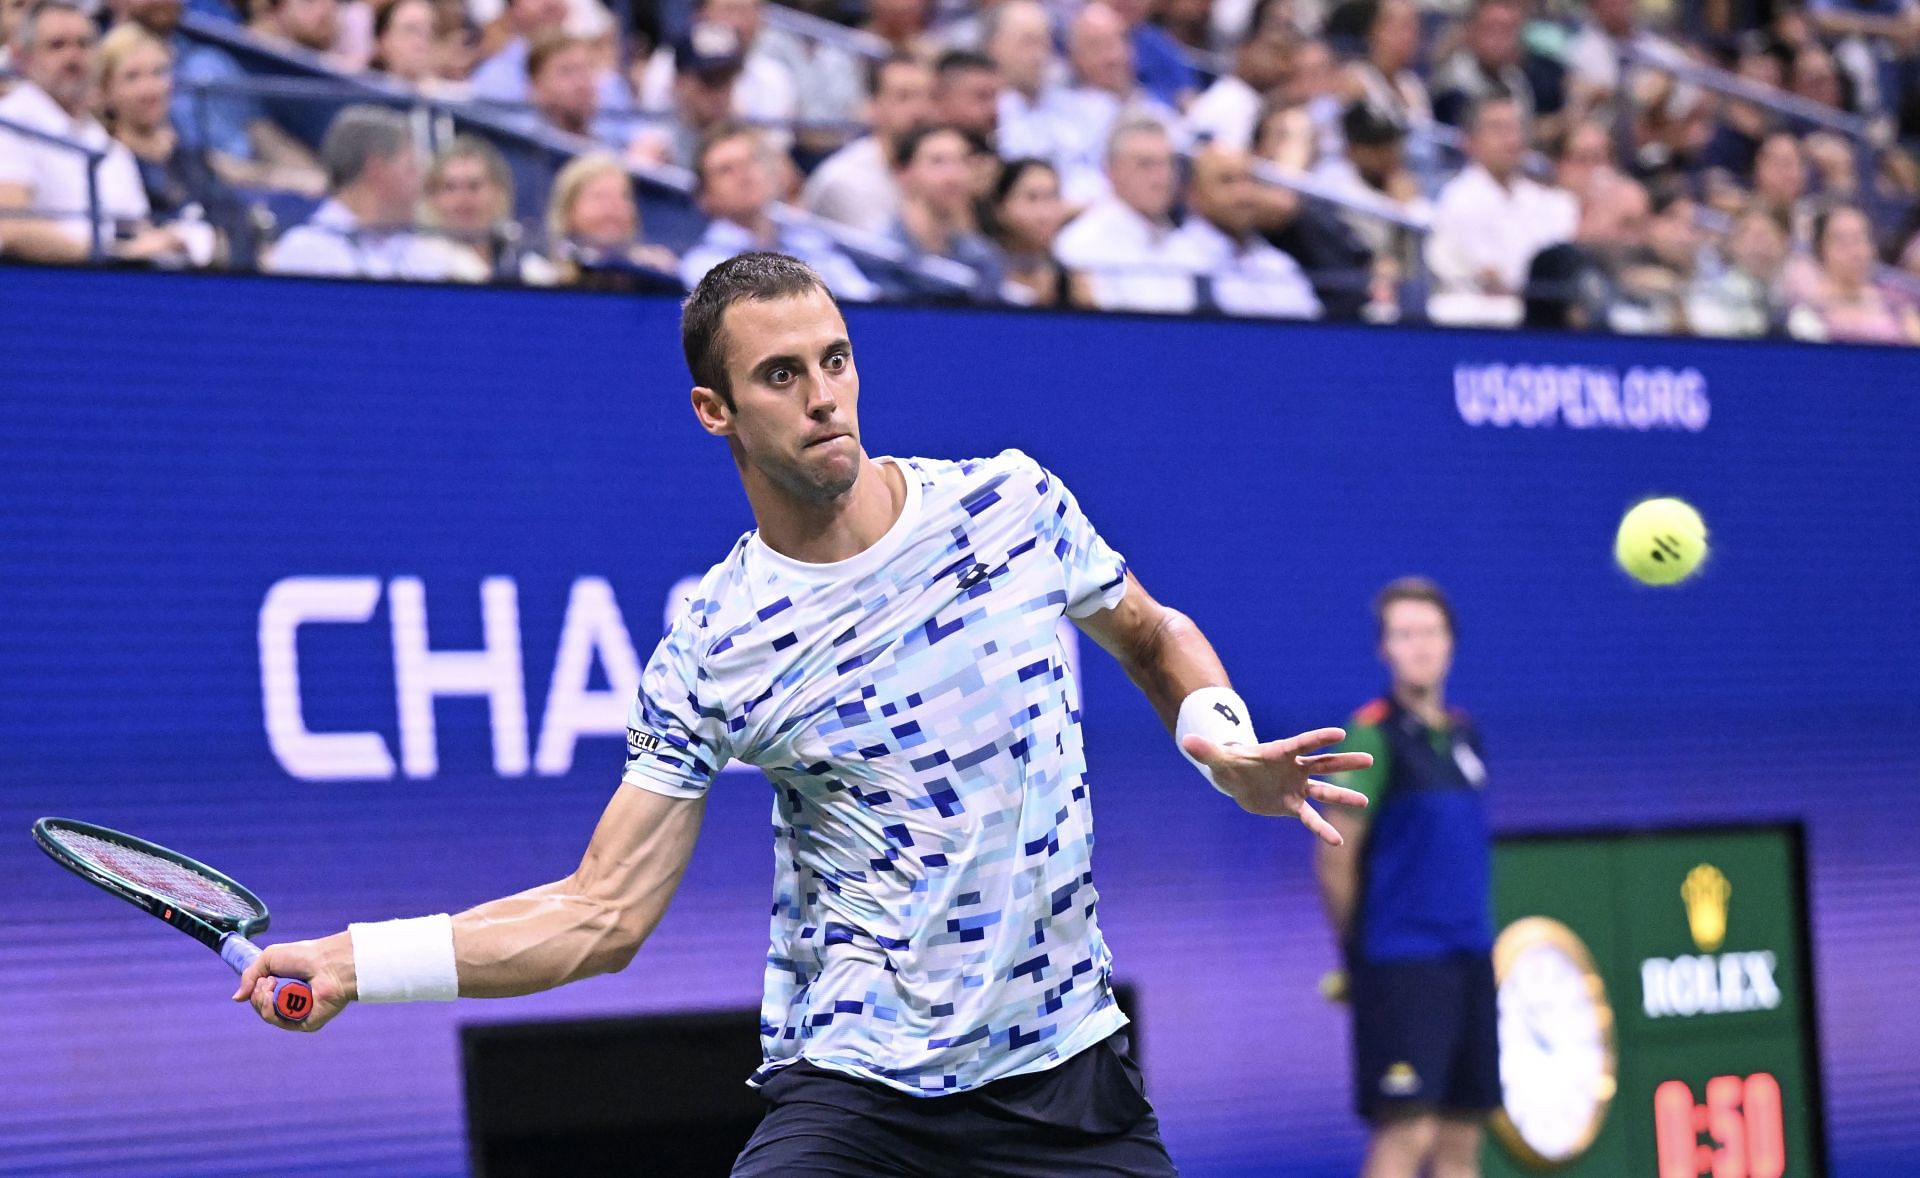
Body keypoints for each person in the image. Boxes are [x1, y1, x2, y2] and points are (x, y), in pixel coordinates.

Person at [234, 250, 1372, 1178]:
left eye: (836, 358)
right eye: (782, 375)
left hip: (1068, 1078)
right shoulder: (717, 646)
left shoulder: (1012, 504)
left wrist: (1218, 740)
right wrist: (353, 960)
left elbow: (1152, 632)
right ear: (712, 410)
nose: (825, 394)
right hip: (858, 1098)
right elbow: (601, 913)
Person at [1321, 577, 1496, 1178]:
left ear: (1450, 643)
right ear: (1384, 651)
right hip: (1401, 966)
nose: (1419, 646)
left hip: (1471, 960)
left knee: (1461, 1137)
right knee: (1408, 1131)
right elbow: (1335, 854)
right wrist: (1359, 956)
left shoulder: (1465, 734)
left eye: (1430, 632)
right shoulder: (1371, 735)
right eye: (1404, 634)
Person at [0, 0, 180, 263]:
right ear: (21, 57)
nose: (73, 57)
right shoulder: (9, 123)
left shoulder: (105, 142)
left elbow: (136, 228)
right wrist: (110, 254)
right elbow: (11, 226)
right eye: (57, 45)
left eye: (83, 44)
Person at [97, 22, 254, 267]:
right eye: (133, 77)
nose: (150, 89)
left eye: (159, 72)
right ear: (105, 91)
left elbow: (236, 227)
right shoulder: (106, 163)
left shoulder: (191, 158)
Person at [1424, 95, 1576, 327]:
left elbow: (1557, 260)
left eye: (1516, 128)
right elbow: (1492, 277)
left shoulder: (1543, 199)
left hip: (1542, 316)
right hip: (1482, 322)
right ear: (1470, 140)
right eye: (1497, 129)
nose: (1511, 139)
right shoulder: (1459, 199)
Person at [681, 124, 879, 300]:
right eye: (726, 170)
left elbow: (865, 301)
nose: (744, 175)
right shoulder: (703, 268)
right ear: (704, 197)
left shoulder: (810, 244)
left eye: (751, 161)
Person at [262, 104, 450, 280]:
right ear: (377, 170)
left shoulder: (423, 255)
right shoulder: (305, 251)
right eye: (410, 169)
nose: (421, 184)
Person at [1166, 143, 1323, 319]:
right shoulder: (1170, 260)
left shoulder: (1279, 266)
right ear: (1193, 195)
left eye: (1249, 180)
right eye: (1227, 181)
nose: (1244, 194)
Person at [1054, 117, 1190, 312]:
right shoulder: (1082, 244)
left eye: (1167, 163)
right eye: (1146, 164)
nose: (1163, 177)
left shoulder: (1184, 242)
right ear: (1110, 171)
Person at [802, 54, 934, 236]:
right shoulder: (846, 179)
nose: (920, 110)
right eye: (904, 97)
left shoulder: (940, 169)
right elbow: (883, 259)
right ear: (873, 106)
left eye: (928, 97)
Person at [888, 122, 1007, 300]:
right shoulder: (879, 254)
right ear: (903, 173)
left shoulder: (983, 259)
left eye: (963, 161)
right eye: (938, 162)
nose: (953, 175)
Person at [420, 134, 552, 283]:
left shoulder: (529, 268)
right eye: (450, 187)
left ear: (499, 192)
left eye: (474, 186)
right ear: (432, 197)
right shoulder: (420, 266)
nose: (462, 198)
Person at [1787, 203, 1920, 343]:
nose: (1855, 252)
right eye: (1841, 241)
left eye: (1860, 239)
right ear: (1820, 248)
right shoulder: (1807, 313)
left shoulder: (1897, 304)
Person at [542, 151, 678, 286]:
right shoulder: (539, 280)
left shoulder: (653, 273)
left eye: (623, 196)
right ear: (568, 209)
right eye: (599, 197)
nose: (614, 207)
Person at [981, 156, 1089, 306]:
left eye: (1053, 196)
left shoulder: (1073, 281)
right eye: (1032, 198)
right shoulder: (979, 274)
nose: (1045, 213)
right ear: (999, 207)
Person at [1184, 0, 1292, 151]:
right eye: (1269, 52)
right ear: (1245, 50)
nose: (1275, 64)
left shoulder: (1258, 102)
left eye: (1283, 56)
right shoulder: (1234, 95)